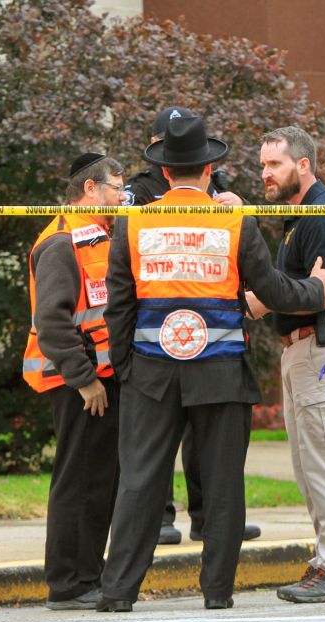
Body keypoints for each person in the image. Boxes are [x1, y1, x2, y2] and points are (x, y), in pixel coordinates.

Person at [97, 115, 325, 612]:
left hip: (150, 373)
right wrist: (318, 290)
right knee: (224, 486)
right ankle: (217, 592)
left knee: (140, 482)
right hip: (221, 374)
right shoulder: (234, 221)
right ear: (210, 168)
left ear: (164, 173)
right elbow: (271, 290)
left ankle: (118, 591)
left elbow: (118, 307)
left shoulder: (135, 221)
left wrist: (126, 368)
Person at [126, 105, 261, 547]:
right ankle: (163, 516)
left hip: (213, 332)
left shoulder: (217, 190)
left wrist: (239, 211)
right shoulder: (139, 195)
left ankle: (208, 518)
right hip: (162, 334)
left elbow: (242, 255)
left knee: (208, 447)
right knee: (158, 445)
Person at [243, 126, 325, 604]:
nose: (265, 174)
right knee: (308, 465)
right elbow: (297, 291)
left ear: (304, 164)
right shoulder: (298, 220)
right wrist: (268, 298)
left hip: (323, 348)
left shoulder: (319, 216)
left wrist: (264, 299)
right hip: (304, 350)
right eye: (262, 165)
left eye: (274, 164)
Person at [21, 153, 125, 610]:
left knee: (96, 481)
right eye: (116, 189)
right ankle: (68, 583)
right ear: (90, 190)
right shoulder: (62, 242)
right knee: (78, 481)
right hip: (78, 384)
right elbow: (52, 322)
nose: (122, 198)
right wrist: (85, 381)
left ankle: (86, 575)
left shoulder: (96, 236)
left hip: (95, 379)